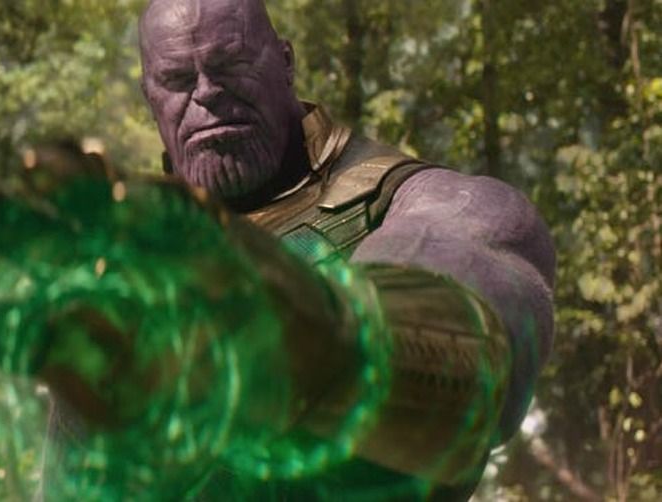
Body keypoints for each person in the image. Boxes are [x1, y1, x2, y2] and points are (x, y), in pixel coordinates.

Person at [133, 0, 555, 498]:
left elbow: (471, 249)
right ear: (149, 96)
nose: (206, 94)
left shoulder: (407, 200)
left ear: (285, 62)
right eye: (178, 79)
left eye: (231, 64)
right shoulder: (133, 245)